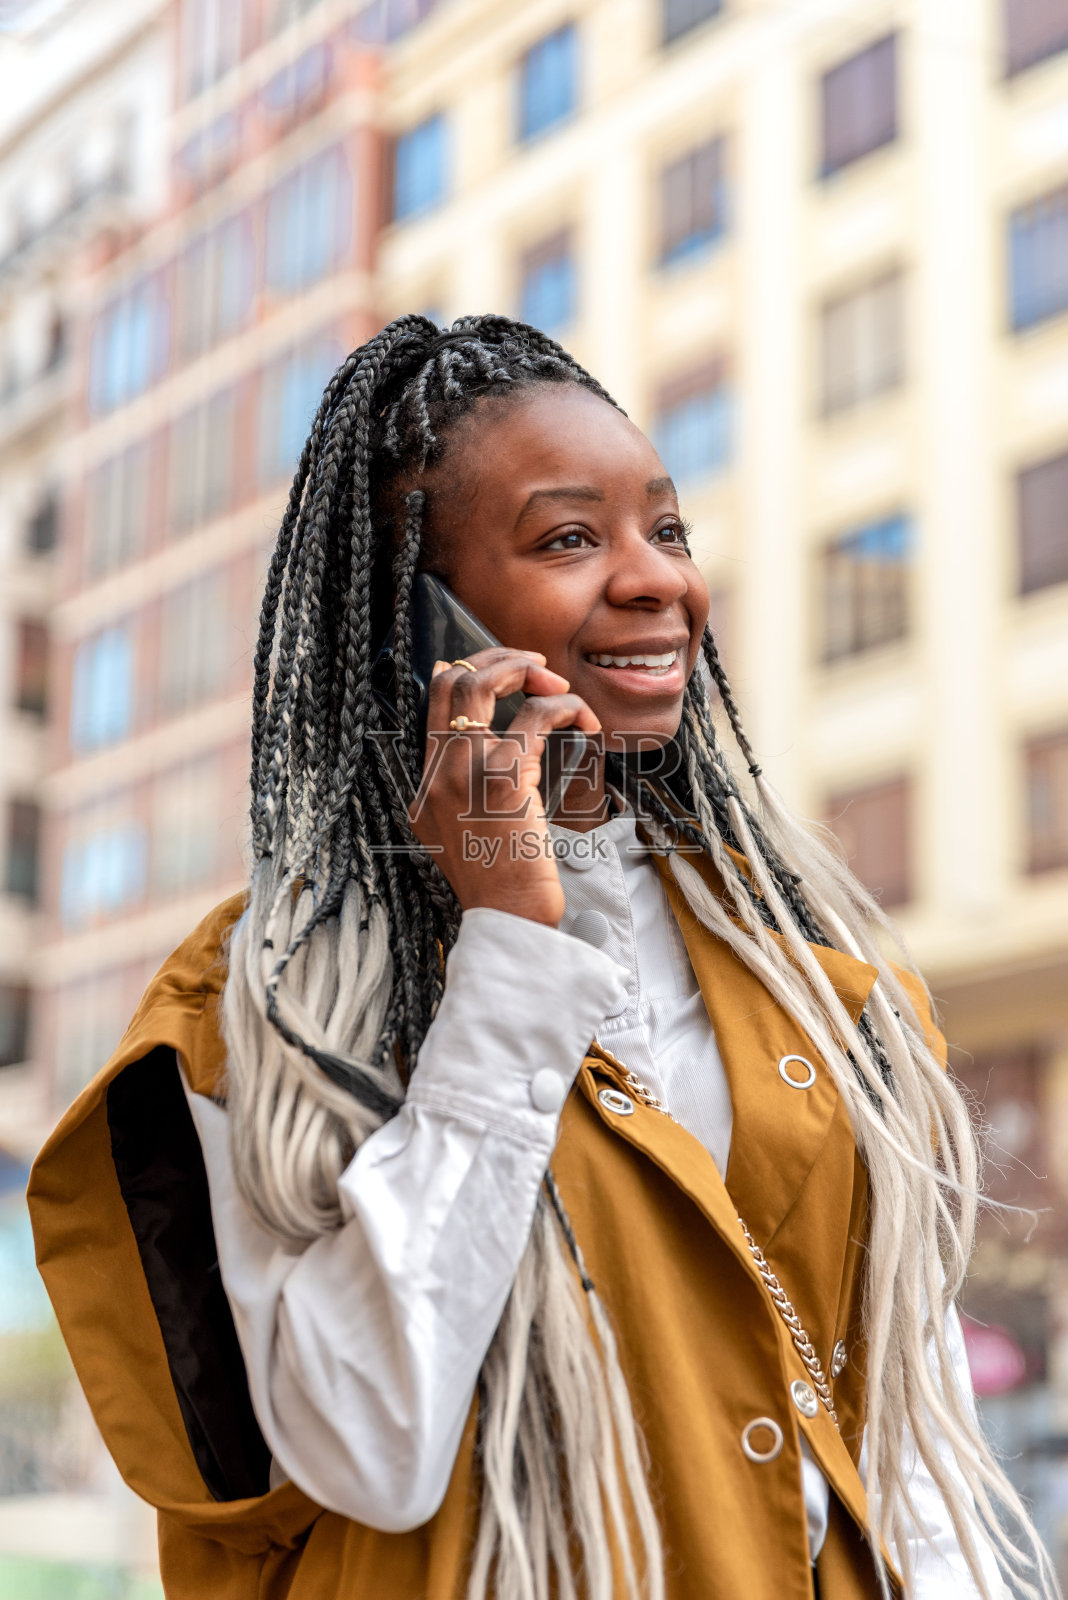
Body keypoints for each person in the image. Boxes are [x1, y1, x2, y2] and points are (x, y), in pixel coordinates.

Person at [30, 316, 1054, 1600]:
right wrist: (510, 944)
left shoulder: (811, 982)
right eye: (570, 539)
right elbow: (369, 1445)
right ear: (415, 619)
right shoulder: (265, 1007)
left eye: (667, 529)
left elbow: (904, 1456)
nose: (654, 579)